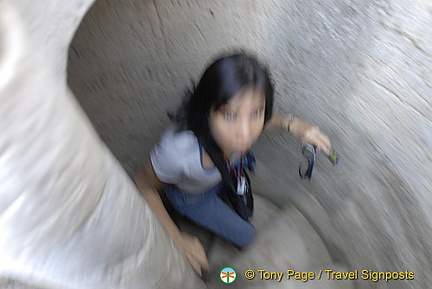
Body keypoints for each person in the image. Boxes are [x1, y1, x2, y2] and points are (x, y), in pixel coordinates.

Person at [134, 52, 332, 276]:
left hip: (222, 175)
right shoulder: (178, 153)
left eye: (255, 112)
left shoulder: (242, 130)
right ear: (206, 110)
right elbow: (143, 185)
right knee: (248, 236)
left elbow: (268, 120)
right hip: (192, 197)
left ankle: (225, 191)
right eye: (230, 115)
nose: (246, 133)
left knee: (244, 211)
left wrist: (293, 125)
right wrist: (177, 238)